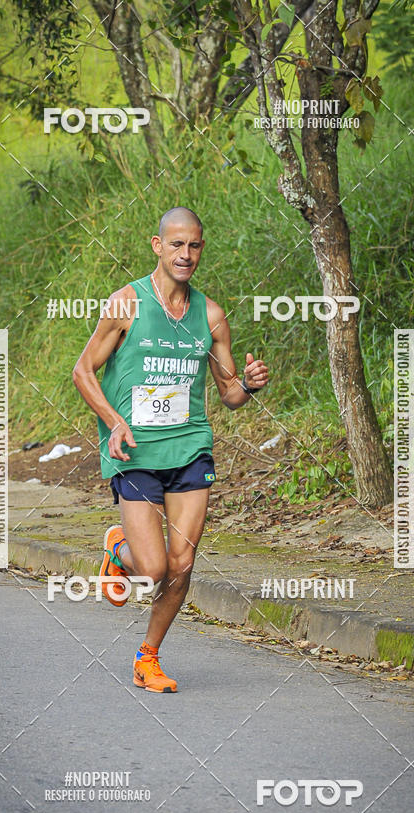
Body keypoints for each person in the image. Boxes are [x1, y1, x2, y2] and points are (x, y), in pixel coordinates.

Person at [72, 207, 268, 692]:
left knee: (181, 565)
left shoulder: (211, 315)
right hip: (135, 452)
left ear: (202, 249)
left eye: (195, 245)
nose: (186, 254)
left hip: (190, 448)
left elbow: (229, 395)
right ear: (157, 246)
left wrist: (249, 383)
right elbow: (82, 371)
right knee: (154, 568)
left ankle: (148, 657)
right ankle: (119, 550)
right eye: (176, 244)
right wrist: (114, 421)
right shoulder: (128, 304)